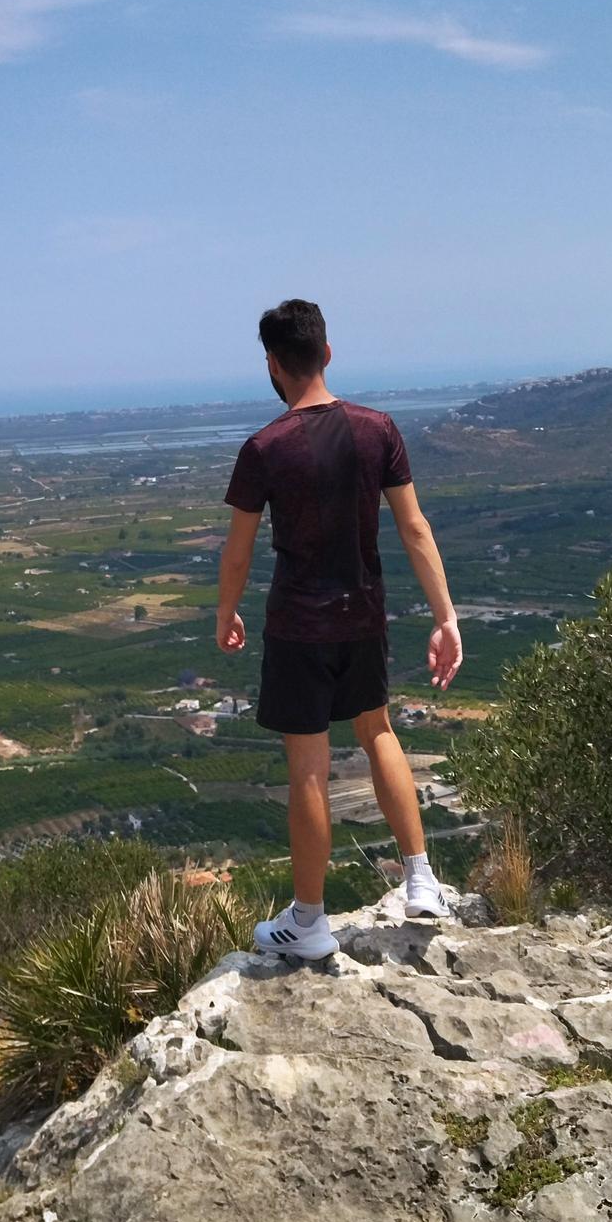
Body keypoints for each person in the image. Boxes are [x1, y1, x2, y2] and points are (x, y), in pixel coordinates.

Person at [216, 299, 463, 960]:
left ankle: (310, 922)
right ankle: (421, 881)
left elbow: (237, 550)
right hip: (363, 615)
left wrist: (226, 609)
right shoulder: (378, 430)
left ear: (272, 364)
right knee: (378, 730)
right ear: (326, 352)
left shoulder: (263, 449)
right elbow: (414, 528)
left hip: (298, 626)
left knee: (309, 768)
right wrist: (446, 617)